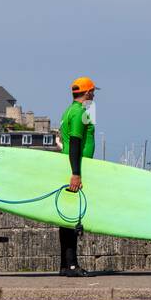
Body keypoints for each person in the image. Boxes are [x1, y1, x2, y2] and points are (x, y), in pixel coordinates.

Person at [59, 76, 98, 277]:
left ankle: (65, 265)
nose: (94, 96)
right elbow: (75, 143)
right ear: (88, 92)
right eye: (93, 92)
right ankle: (72, 265)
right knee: (72, 219)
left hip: (73, 166)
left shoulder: (70, 110)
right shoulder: (80, 112)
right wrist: (76, 173)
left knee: (67, 218)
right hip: (75, 168)